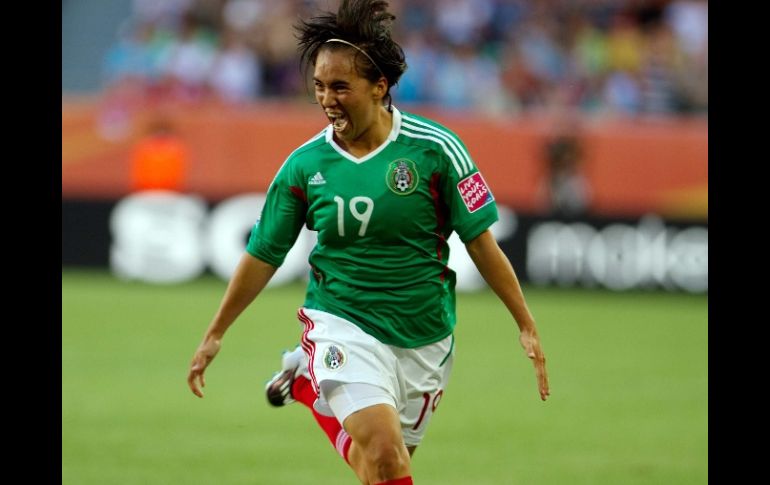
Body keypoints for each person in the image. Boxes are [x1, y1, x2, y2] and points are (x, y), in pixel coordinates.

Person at [186, 1, 549, 484]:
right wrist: (215, 333)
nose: (327, 99)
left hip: (425, 335)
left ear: (380, 87)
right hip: (342, 321)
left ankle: (307, 388)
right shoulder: (304, 166)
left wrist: (524, 323)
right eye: (318, 86)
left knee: (382, 466)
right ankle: (315, 370)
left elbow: (481, 242)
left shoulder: (436, 149)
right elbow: (263, 254)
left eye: (341, 86)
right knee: (382, 450)